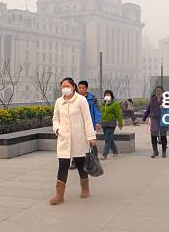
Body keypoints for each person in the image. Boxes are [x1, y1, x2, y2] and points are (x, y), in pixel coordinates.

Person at [50, 77, 97, 205]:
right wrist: (57, 130)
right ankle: (59, 195)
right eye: (62, 86)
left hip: (79, 139)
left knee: (81, 165)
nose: (64, 88)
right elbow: (55, 119)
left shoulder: (81, 100)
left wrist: (91, 137)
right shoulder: (59, 102)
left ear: (73, 87)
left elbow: (87, 119)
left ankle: (85, 188)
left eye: (67, 85)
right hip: (64, 139)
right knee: (63, 166)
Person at [68, 80, 101, 170]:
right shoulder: (74, 98)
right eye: (80, 88)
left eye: (83, 88)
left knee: (91, 143)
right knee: (76, 143)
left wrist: (98, 122)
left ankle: (95, 160)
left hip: (89, 124)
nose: (81, 90)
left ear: (86, 88)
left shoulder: (92, 99)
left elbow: (97, 111)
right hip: (77, 125)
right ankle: (74, 162)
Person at [143, 85, 169, 158]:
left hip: (163, 119)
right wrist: (145, 117)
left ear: (162, 92)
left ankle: (164, 151)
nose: (158, 92)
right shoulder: (152, 98)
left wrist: (165, 107)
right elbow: (149, 108)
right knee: (153, 136)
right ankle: (155, 151)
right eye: (157, 91)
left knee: (163, 136)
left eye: (160, 91)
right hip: (154, 119)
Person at [100, 90, 123, 159]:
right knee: (109, 138)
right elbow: (101, 113)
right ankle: (115, 151)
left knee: (107, 139)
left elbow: (118, 114)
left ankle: (104, 155)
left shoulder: (115, 104)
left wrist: (120, 123)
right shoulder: (103, 104)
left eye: (108, 95)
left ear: (111, 96)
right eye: (106, 95)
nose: (107, 96)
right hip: (104, 124)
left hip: (111, 124)